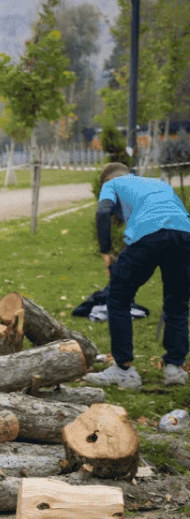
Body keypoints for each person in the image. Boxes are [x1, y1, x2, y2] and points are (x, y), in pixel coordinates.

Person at [84, 162, 190, 389]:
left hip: (151, 235)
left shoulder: (112, 184)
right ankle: (175, 368)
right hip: (184, 234)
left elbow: (103, 212)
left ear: (107, 180)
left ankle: (123, 369)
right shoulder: (157, 183)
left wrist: (105, 252)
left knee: (118, 296)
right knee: (177, 301)